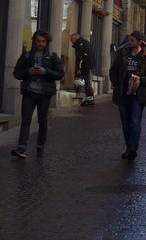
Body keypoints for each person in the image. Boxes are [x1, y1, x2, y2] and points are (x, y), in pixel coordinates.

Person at [11, 30, 65, 158]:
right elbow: (17, 73)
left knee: (42, 120)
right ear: (34, 41)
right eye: (38, 41)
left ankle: (40, 147)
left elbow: (60, 74)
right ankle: (22, 148)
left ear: (47, 42)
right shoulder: (27, 55)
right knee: (26, 120)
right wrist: (28, 71)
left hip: (44, 94)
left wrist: (45, 71)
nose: (40, 44)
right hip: (29, 92)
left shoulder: (52, 56)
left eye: (43, 41)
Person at [109, 30, 146, 160]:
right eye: (129, 40)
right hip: (123, 93)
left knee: (135, 122)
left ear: (139, 42)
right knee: (125, 122)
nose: (129, 42)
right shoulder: (123, 54)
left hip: (138, 94)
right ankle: (128, 147)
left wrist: (140, 80)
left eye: (132, 40)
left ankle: (132, 148)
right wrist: (116, 83)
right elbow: (113, 70)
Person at [69, 31, 96, 107]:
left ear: (76, 38)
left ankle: (90, 99)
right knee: (86, 82)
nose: (71, 41)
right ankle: (87, 97)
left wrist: (79, 68)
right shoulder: (84, 43)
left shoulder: (81, 45)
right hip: (87, 65)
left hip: (85, 66)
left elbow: (81, 58)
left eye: (72, 39)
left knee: (86, 82)